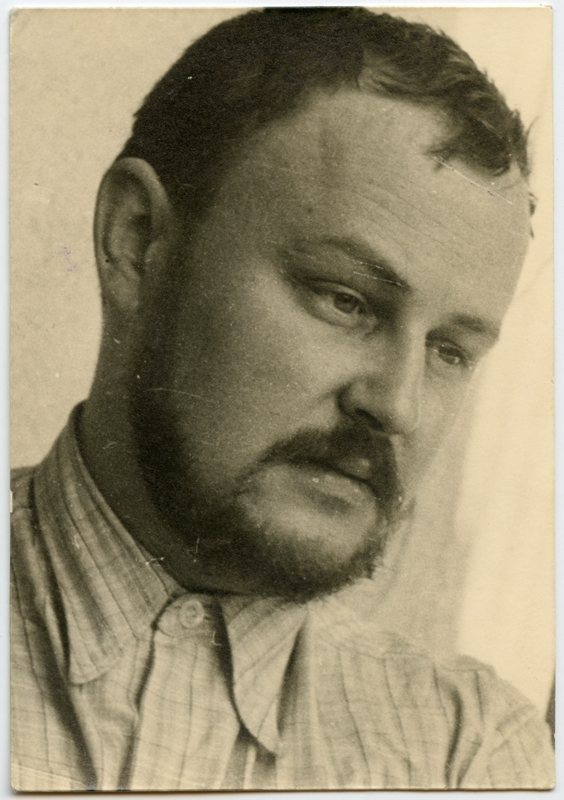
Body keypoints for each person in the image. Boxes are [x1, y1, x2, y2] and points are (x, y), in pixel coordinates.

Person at [10, 7, 554, 791]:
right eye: (345, 299)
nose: (396, 405)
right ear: (137, 239)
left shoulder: (470, 757)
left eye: (450, 351)